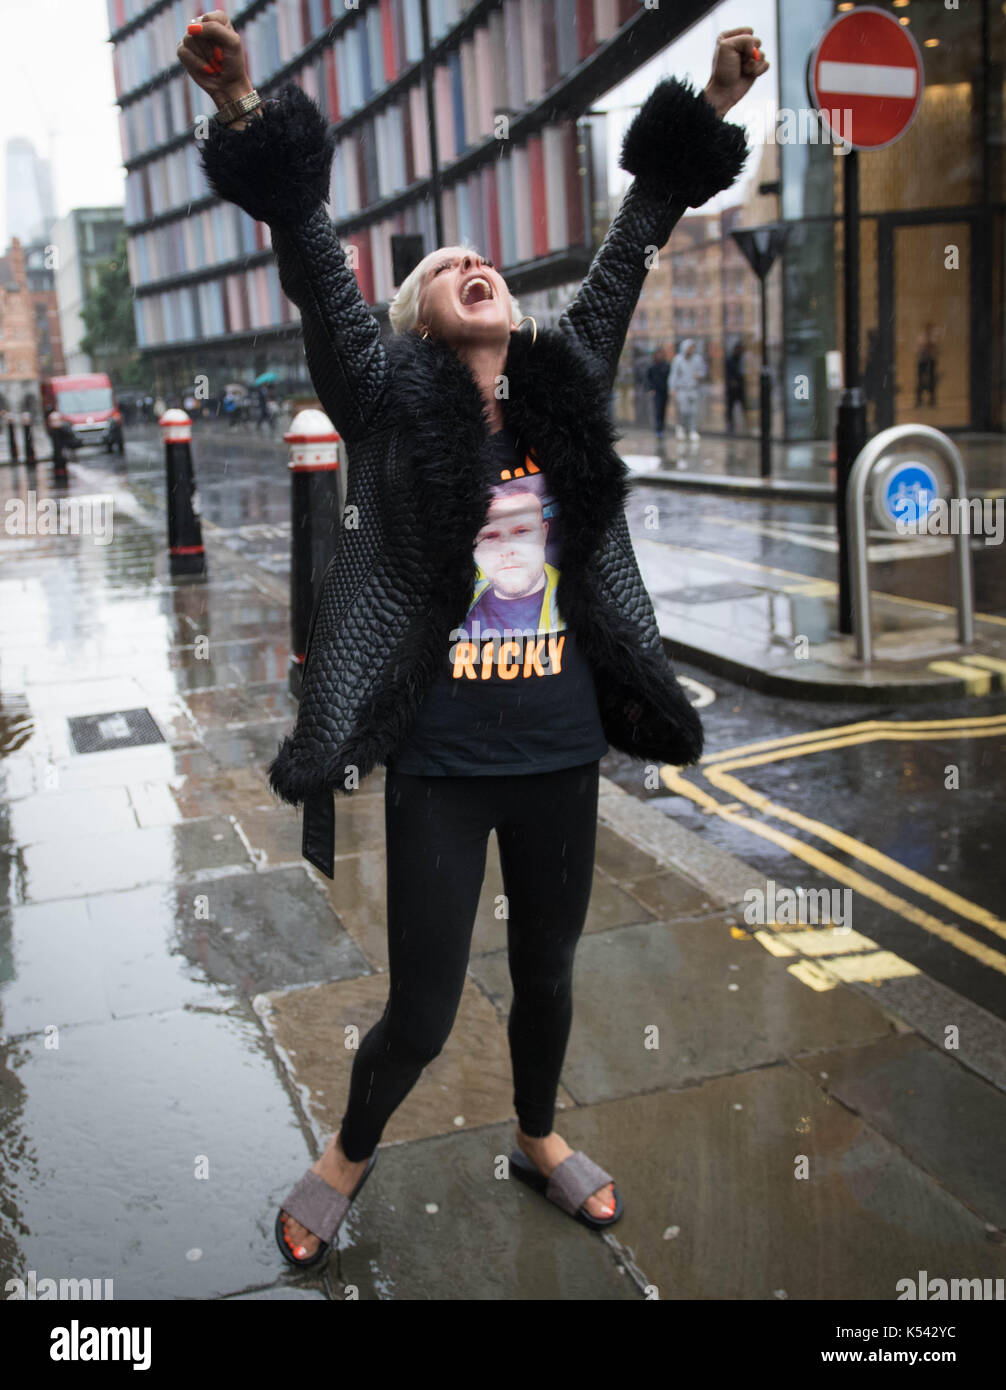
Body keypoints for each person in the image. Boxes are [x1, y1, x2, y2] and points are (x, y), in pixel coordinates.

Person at [182, 9, 763, 1268]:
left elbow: (629, 245)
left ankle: (541, 1138)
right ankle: (347, 1151)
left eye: (481, 260)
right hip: (442, 761)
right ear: (416, 322)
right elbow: (310, 256)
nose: (472, 262)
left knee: (550, 974)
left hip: (558, 746)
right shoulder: (387, 398)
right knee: (427, 1004)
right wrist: (241, 112)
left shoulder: (563, 382)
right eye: (444, 267)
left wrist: (709, 106)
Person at [669, 338, 707, 442]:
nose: (691, 349)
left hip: (694, 389)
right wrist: (672, 388)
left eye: (692, 347)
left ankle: (692, 430)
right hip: (682, 389)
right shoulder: (678, 360)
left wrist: (700, 375)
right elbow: (674, 375)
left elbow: (703, 370)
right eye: (689, 347)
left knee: (693, 411)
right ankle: (681, 427)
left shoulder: (697, 359)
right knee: (684, 410)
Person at [645, 346, 670, 439]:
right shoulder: (652, 366)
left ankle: (662, 429)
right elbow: (648, 378)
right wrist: (651, 389)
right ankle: (658, 430)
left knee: (663, 411)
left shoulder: (667, 365)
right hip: (656, 392)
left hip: (665, 391)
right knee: (658, 410)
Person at [725, 337, 747, 433]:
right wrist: (731, 381)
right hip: (732, 388)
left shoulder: (742, 359)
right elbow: (728, 373)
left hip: (741, 386)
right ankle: (730, 423)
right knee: (731, 405)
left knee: (743, 404)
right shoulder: (730, 359)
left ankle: (745, 422)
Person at [916, 321, 940, 407]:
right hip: (922, 361)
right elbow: (920, 347)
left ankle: (932, 399)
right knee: (920, 381)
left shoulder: (933, 337)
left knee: (932, 381)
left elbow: (936, 348)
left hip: (930, 361)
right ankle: (919, 399)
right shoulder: (921, 337)